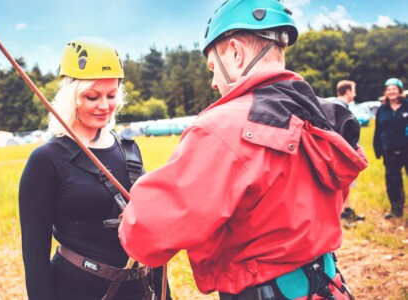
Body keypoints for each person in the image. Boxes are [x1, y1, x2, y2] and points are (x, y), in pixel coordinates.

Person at [119, 1, 368, 299]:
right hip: (328, 286)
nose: (213, 82)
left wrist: (134, 212)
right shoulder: (324, 117)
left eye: (213, 67)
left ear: (235, 52)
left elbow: (148, 235)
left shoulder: (221, 127)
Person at [19, 37, 170, 300]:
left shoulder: (129, 150)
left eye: (111, 95)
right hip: (76, 289)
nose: (104, 106)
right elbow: (34, 257)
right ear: (71, 96)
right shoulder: (46, 160)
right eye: (92, 96)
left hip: (138, 289)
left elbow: (148, 234)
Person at [373, 78, 408, 219]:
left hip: (406, 150)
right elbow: (378, 129)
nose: (391, 91)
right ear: (386, 92)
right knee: (393, 180)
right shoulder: (382, 109)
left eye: (394, 88)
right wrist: (377, 148)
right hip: (389, 151)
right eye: (389, 89)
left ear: (400, 91)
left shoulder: (406, 106)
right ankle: (396, 209)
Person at [333, 80, 365, 223]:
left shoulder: (334, 104)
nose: (355, 93)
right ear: (347, 91)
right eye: (354, 90)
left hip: (337, 152)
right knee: (343, 183)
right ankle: (343, 213)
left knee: (345, 184)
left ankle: (346, 210)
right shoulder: (340, 107)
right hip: (341, 153)